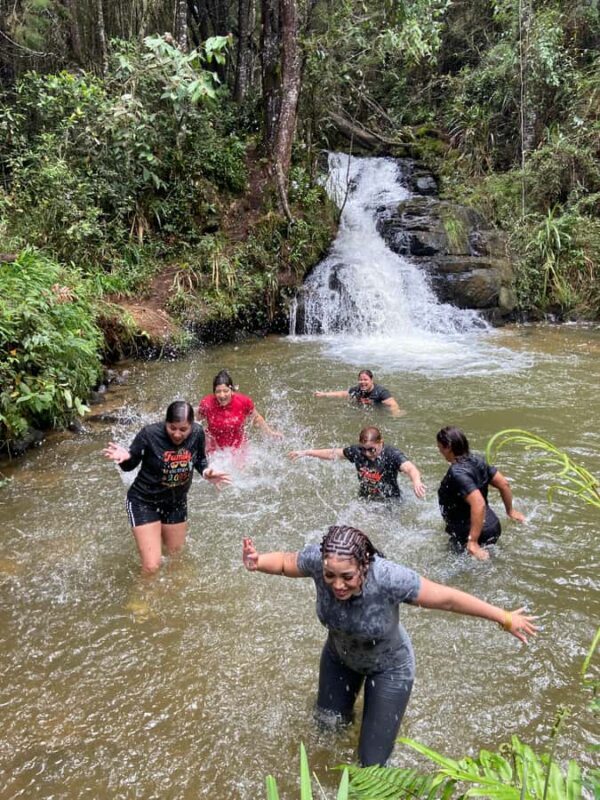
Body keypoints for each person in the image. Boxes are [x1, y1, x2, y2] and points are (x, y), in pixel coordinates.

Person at [242, 525, 537, 766]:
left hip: (389, 668)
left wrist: (504, 617)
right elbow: (285, 562)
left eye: (347, 577)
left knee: (372, 764)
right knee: (327, 728)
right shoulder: (319, 564)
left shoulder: (389, 578)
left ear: (364, 565)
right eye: (330, 576)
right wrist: (258, 561)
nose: (337, 585)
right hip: (339, 657)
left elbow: (447, 599)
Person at [103, 401, 230, 573]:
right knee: (151, 566)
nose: (177, 434)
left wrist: (207, 472)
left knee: (175, 560)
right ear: (166, 422)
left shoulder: (198, 433)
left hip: (175, 502)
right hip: (144, 502)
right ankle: (141, 598)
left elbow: (199, 459)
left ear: (192, 425)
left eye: (183, 429)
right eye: (172, 428)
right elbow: (129, 465)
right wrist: (126, 457)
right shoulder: (149, 434)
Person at [436, 426, 525, 560]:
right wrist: (510, 511)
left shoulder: (457, 473)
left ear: (448, 447)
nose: (440, 451)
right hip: (493, 526)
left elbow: (478, 503)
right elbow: (504, 484)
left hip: (470, 533)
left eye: (440, 448)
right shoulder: (477, 460)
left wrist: (472, 541)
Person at [289, 426, 426, 500]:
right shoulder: (357, 451)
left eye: (372, 449)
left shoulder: (391, 454)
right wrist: (306, 452)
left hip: (390, 501)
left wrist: (417, 482)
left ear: (381, 442)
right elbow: (333, 453)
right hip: (365, 498)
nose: (367, 453)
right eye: (363, 449)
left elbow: (410, 468)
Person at [197, 369, 283, 452]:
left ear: (232, 390)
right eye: (218, 391)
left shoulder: (243, 401)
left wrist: (270, 433)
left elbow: (256, 418)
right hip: (214, 447)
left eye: (225, 391)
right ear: (214, 392)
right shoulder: (207, 403)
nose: (222, 395)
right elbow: (196, 422)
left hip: (238, 447)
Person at [314, 369, 404, 416]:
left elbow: (393, 404)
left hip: (378, 410)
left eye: (365, 380)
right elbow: (342, 394)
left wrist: (395, 413)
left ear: (372, 380)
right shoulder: (357, 389)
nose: (363, 382)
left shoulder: (381, 392)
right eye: (360, 380)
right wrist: (324, 394)